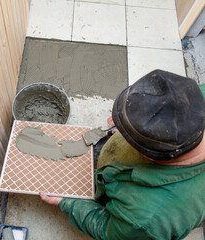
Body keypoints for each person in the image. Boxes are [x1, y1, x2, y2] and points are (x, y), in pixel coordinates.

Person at [40, 70, 205, 240]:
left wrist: (69, 203)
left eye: (130, 137)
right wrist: (129, 120)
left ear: (150, 155)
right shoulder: (192, 96)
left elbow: (107, 230)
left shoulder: (146, 219)